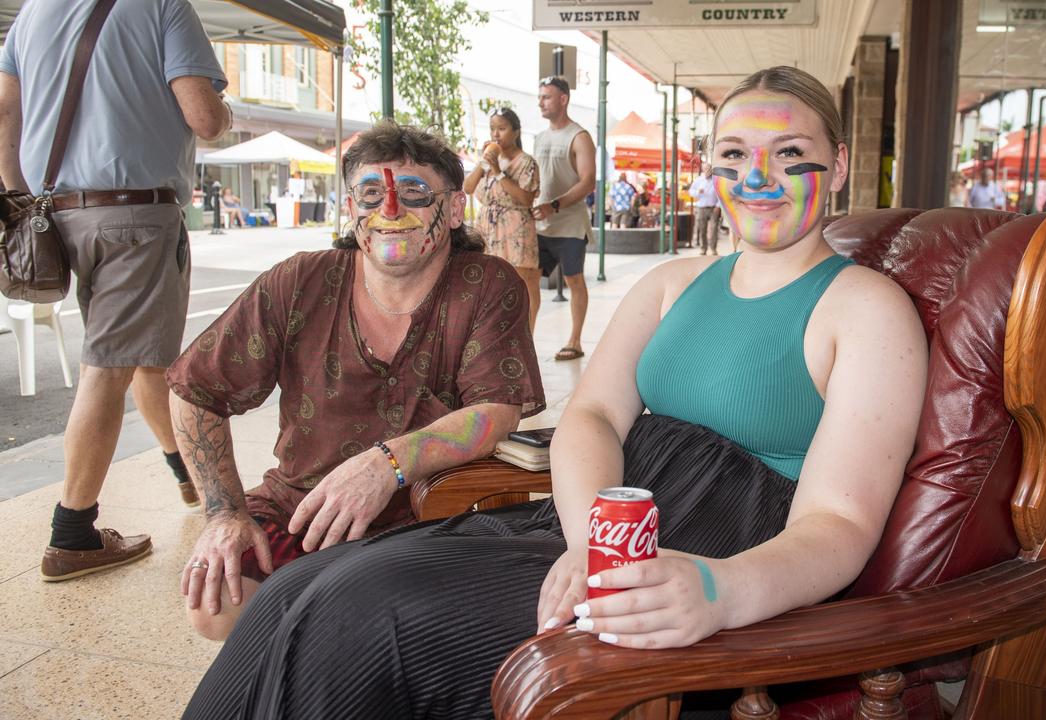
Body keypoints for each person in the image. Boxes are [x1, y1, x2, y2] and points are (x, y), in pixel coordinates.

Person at [183, 65, 926, 720]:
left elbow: (841, 523)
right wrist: (587, 538)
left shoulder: (863, 307)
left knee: (357, 618)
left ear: (837, 163)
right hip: (586, 521)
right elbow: (594, 415)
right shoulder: (670, 284)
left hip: (704, 554)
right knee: (297, 590)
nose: (758, 178)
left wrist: (721, 589)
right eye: (735, 155)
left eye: (790, 155)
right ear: (710, 168)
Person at [167, 122, 545, 641]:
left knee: (367, 612)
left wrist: (385, 465)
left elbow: (497, 411)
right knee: (217, 598)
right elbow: (195, 390)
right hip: (306, 503)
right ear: (352, 211)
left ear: (455, 210)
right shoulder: (300, 279)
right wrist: (225, 513)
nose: (390, 210)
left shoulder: (485, 283)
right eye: (371, 195)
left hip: (431, 513)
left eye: (414, 194)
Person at [0, 0, 232, 581]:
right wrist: (223, 113)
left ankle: (183, 471)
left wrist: (25, 198)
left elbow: (5, 113)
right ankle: (72, 534)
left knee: (142, 354)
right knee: (109, 365)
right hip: (133, 214)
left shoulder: (32, 14)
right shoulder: (161, 5)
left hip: (60, 214)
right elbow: (203, 116)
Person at [531, 76, 596, 362]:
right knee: (529, 281)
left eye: (546, 97)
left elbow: (588, 182)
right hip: (541, 224)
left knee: (574, 279)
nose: (541, 102)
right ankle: (526, 340)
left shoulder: (579, 136)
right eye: (540, 97)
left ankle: (575, 339)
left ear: (563, 99)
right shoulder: (539, 138)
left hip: (569, 223)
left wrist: (554, 205)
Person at [464, 108, 542, 331]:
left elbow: (526, 199)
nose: (496, 134)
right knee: (491, 283)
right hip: (489, 227)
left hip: (517, 228)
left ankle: (528, 334)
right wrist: (483, 164)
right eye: (492, 129)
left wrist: (499, 171)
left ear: (516, 132)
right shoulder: (488, 160)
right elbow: (468, 188)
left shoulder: (526, 162)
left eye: (502, 128)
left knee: (524, 281)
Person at [688, 162, 721, 255]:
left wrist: (718, 206)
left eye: (709, 169)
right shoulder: (698, 180)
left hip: (713, 208)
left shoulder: (716, 181)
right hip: (701, 208)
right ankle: (703, 248)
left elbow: (720, 194)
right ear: (703, 169)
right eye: (705, 169)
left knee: (714, 229)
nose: (707, 171)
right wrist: (698, 192)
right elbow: (691, 192)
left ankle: (713, 248)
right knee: (702, 229)